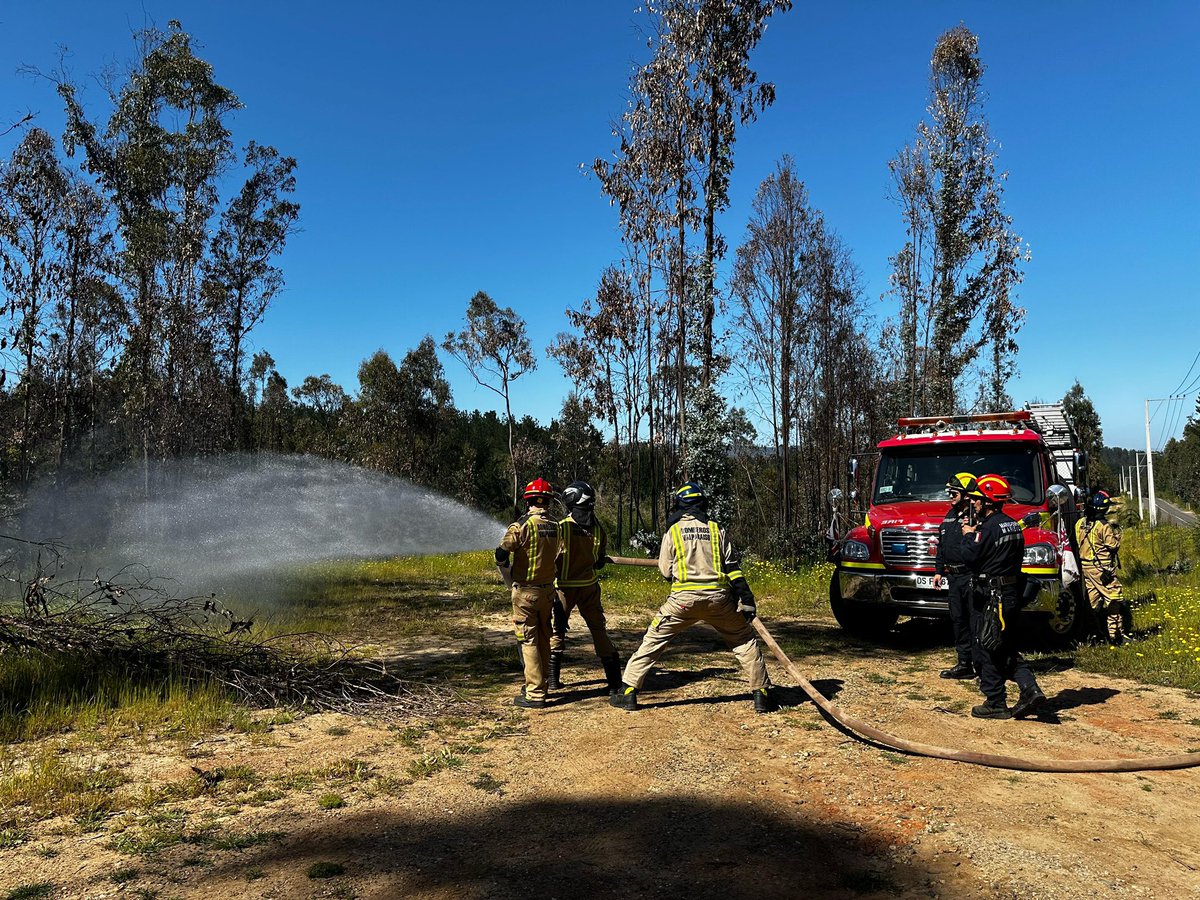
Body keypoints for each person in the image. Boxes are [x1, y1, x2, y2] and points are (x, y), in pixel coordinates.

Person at [610, 481, 773, 714]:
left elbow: (665, 571)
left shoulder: (673, 531)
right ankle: (761, 694)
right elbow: (733, 569)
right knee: (744, 640)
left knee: (653, 640)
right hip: (719, 600)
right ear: (702, 503)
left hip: (682, 601)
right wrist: (747, 600)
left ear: (679, 505)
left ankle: (628, 692)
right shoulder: (716, 529)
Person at [960, 473, 1046, 720]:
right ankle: (1029, 688)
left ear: (988, 501)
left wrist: (968, 535)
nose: (973, 502)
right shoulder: (1013, 526)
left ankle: (996, 701)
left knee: (986, 647)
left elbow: (969, 556)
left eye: (976, 498)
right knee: (1004, 645)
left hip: (991, 598)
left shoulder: (987, 529)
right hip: (1009, 594)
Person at [551, 480, 623, 694]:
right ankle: (614, 683)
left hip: (563, 589)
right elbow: (599, 561)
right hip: (589, 588)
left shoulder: (562, 527)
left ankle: (552, 681)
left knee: (557, 631)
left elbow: (551, 557)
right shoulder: (598, 529)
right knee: (599, 631)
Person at [496, 477, 560, 709]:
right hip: (548, 592)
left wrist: (505, 568)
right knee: (544, 639)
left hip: (526, 594)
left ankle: (534, 693)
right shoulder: (556, 526)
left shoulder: (521, 525)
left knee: (528, 641)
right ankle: (543, 684)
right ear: (548, 502)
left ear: (528, 501)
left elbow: (501, 554)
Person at [934, 472, 979, 680]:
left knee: (975, 621)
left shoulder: (976, 518)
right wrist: (938, 571)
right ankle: (964, 663)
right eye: (949, 493)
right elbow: (941, 545)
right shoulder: (949, 516)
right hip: (953, 577)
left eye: (954, 493)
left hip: (970, 576)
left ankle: (982, 664)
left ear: (966, 494)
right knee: (958, 620)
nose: (950, 496)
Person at [1076, 490, 1126, 644]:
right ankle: (1116, 635)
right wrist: (1118, 536)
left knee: (1092, 601)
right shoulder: (1104, 526)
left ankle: (1093, 634)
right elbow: (1113, 546)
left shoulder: (1080, 523)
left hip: (1086, 567)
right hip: (1102, 569)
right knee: (1114, 598)